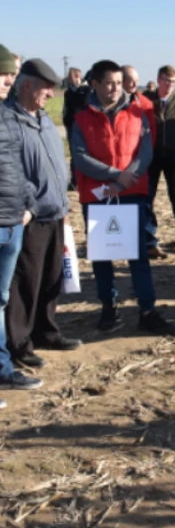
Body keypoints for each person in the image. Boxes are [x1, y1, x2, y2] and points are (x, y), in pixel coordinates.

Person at [71, 60, 175, 336]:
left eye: (119, 82)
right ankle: (109, 306)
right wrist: (114, 175)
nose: (116, 88)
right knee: (102, 257)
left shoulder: (137, 113)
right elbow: (80, 157)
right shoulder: (82, 117)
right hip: (97, 196)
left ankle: (147, 310)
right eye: (109, 83)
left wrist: (127, 177)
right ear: (94, 84)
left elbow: (145, 151)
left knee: (139, 255)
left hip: (132, 193)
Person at [4, 60, 81, 369]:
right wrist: (28, 206)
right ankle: (19, 344)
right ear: (26, 86)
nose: (51, 94)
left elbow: (55, 165)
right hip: (29, 217)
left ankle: (46, 330)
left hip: (55, 211)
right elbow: (13, 172)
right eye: (46, 88)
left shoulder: (44, 121)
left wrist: (62, 202)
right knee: (25, 283)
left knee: (51, 277)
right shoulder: (9, 122)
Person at [0, 46, 43, 401]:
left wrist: (28, 204)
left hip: (13, 221)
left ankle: (2, 368)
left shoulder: (6, 116)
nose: (8, 81)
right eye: (2, 75)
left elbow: (17, 169)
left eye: (10, 75)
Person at [144, 65, 175, 250]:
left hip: (174, 158)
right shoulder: (146, 100)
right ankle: (148, 236)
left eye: (173, 81)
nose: (170, 84)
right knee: (148, 197)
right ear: (158, 80)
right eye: (166, 80)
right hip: (151, 158)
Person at [122, 65, 165, 260]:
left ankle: (148, 242)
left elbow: (151, 134)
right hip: (117, 165)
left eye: (135, 80)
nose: (133, 84)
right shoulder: (110, 103)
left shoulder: (145, 104)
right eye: (129, 80)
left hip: (142, 163)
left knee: (145, 203)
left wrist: (144, 158)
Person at [62, 67, 89, 191]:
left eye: (70, 76)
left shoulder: (87, 90)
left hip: (85, 127)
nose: (68, 79)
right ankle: (75, 182)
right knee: (74, 154)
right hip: (71, 126)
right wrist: (66, 121)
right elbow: (66, 108)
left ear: (78, 76)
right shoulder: (68, 93)